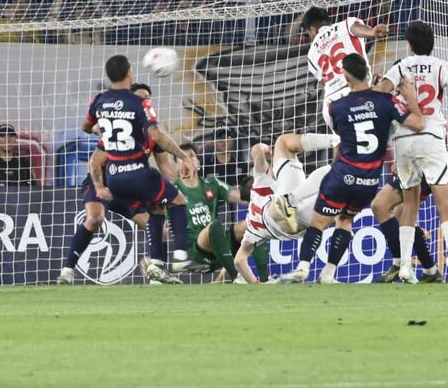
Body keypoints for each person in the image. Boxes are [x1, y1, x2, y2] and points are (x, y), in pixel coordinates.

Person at [277, 53, 423, 283]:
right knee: (345, 221)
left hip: (343, 174)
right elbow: (418, 123)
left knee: (319, 222)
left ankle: (303, 267)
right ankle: (328, 274)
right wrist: (411, 99)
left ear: (346, 78)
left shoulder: (337, 107)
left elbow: (342, 138)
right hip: (369, 181)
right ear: (367, 72)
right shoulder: (386, 102)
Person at [376, 21, 448, 284]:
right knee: (443, 202)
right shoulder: (440, 66)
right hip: (432, 137)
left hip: (404, 140)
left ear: (409, 45)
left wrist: (382, 86)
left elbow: (380, 95)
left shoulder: (400, 67)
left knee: (409, 205)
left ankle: (404, 265)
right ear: (432, 43)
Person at [84, 55, 193, 285]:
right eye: (143, 97)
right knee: (177, 202)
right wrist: (184, 157)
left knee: (158, 209)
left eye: (148, 98)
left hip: (116, 181)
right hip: (127, 179)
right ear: (129, 74)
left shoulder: (102, 104)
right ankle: (182, 256)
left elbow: (165, 167)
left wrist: (99, 128)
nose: (147, 101)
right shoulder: (140, 112)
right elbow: (157, 137)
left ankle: (156, 269)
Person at [57, 81, 177, 285]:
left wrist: (178, 191)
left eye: (146, 99)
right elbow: (94, 141)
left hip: (128, 188)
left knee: (159, 228)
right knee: (95, 219)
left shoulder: (152, 135)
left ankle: (156, 276)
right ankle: (68, 270)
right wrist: (99, 186)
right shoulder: (115, 125)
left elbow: (165, 167)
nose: (143, 102)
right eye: (139, 98)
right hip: (102, 182)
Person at [234, 132, 337, 284]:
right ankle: (335, 140)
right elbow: (256, 149)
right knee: (282, 142)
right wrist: (265, 149)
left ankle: (334, 211)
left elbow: (239, 261)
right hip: (277, 210)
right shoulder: (259, 185)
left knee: (335, 194)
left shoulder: (250, 228)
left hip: (296, 225)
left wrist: (256, 284)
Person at [170, 142, 260, 281]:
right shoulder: (172, 191)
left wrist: (259, 193)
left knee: (250, 225)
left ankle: (264, 279)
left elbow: (239, 197)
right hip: (196, 251)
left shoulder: (212, 184)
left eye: (191, 156)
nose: (186, 161)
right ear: (176, 166)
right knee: (214, 226)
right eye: (181, 158)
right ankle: (237, 277)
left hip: (219, 245)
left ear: (198, 162)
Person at [303, 6, 388, 128]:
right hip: (357, 93)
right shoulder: (346, 24)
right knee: (379, 133)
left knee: (345, 143)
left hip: (332, 105)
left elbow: (325, 82)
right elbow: (356, 28)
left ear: (311, 29)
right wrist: (372, 32)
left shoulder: (311, 54)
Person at [371, 173, 441, 283]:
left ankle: (399, 264)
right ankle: (431, 271)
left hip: (420, 167)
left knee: (380, 206)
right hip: (412, 167)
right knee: (402, 216)